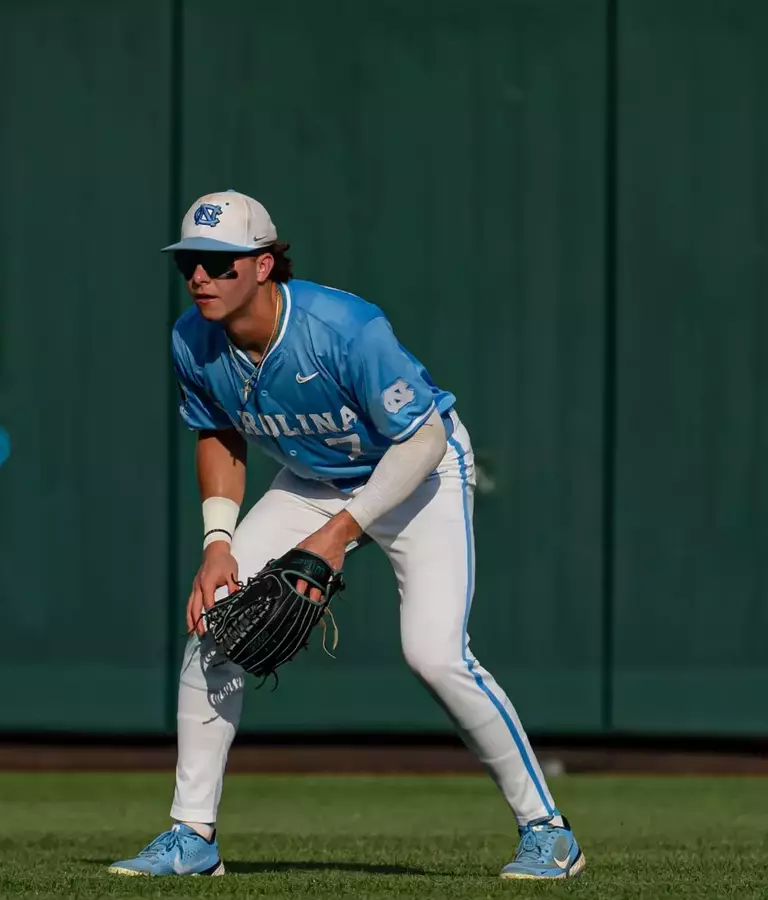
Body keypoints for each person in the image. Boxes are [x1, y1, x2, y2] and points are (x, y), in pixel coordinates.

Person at [106, 190, 586, 880]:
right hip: (313, 480)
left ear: (265, 264)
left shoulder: (344, 328)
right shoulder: (193, 339)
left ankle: (548, 831)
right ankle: (192, 835)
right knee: (217, 627)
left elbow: (420, 438)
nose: (201, 279)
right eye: (191, 264)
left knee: (434, 654)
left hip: (417, 475)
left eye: (220, 263)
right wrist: (218, 542)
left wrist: (339, 534)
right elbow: (216, 432)